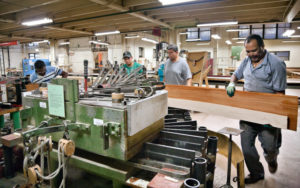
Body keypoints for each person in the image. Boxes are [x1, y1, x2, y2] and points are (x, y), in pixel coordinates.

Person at [226, 34, 286, 184]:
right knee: (246, 147)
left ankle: (271, 159)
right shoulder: (246, 61)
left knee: (269, 146)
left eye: (254, 51)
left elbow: (280, 95)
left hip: (268, 112)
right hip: (248, 111)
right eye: (248, 51)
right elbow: (236, 75)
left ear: (262, 47)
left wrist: (272, 117)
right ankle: (256, 173)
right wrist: (231, 83)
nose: (251, 54)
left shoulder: (276, 64)